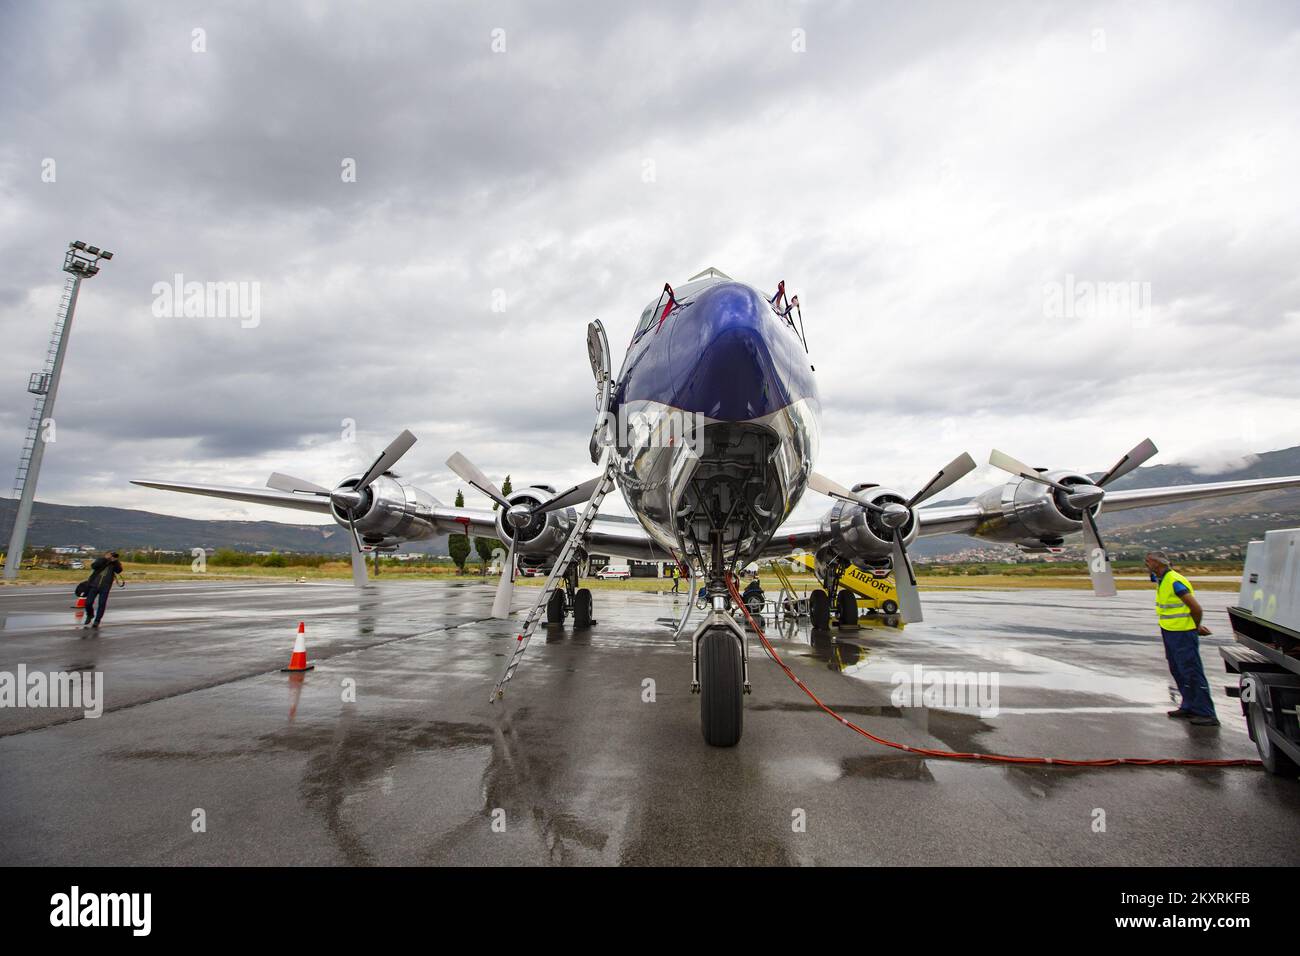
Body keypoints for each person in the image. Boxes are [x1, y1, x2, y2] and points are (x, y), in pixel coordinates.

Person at [1145, 551, 1218, 726]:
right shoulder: (1162, 580)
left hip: (1183, 633)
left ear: (1157, 563)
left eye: (1148, 562)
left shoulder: (1175, 581)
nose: (1146, 565)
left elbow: (1196, 608)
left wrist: (1196, 626)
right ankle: (1188, 705)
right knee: (1178, 669)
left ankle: (1206, 712)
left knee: (1191, 671)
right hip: (1170, 631)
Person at [84, 551, 124, 629]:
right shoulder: (100, 560)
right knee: (88, 602)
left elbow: (119, 570)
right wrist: (105, 559)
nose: (111, 556)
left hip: (105, 587)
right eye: (110, 555)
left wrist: (115, 561)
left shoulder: (115, 562)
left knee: (102, 603)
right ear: (106, 554)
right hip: (94, 585)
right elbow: (94, 566)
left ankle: (97, 621)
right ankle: (90, 614)